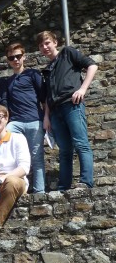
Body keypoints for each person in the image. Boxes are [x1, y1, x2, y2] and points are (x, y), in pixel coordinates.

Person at [37, 30, 98, 190]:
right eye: (41, 45)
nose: (45, 47)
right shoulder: (47, 69)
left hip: (72, 104)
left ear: (55, 42)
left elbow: (92, 65)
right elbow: (48, 95)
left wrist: (83, 89)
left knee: (81, 143)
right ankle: (63, 186)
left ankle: (86, 182)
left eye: (47, 43)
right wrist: (46, 117)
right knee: (64, 150)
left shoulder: (68, 53)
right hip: (55, 111)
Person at [5, 42, 46, 194]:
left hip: (34, 120)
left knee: (37, 156)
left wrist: (46, 118)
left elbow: (44, 98)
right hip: (15, 122)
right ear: (8, 60)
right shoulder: (8, 81)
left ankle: (39, 190)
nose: (15, 60)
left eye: (18, 56)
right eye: (11, 57)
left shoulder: (33, 74)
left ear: (24, 57)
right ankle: (14, 185)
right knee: (8, 147)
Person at [0, 105, 30, 226]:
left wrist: (4, 178)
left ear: (6, 118)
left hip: (14, 182)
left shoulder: (18, 138)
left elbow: (24, 167)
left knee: (11, 181)